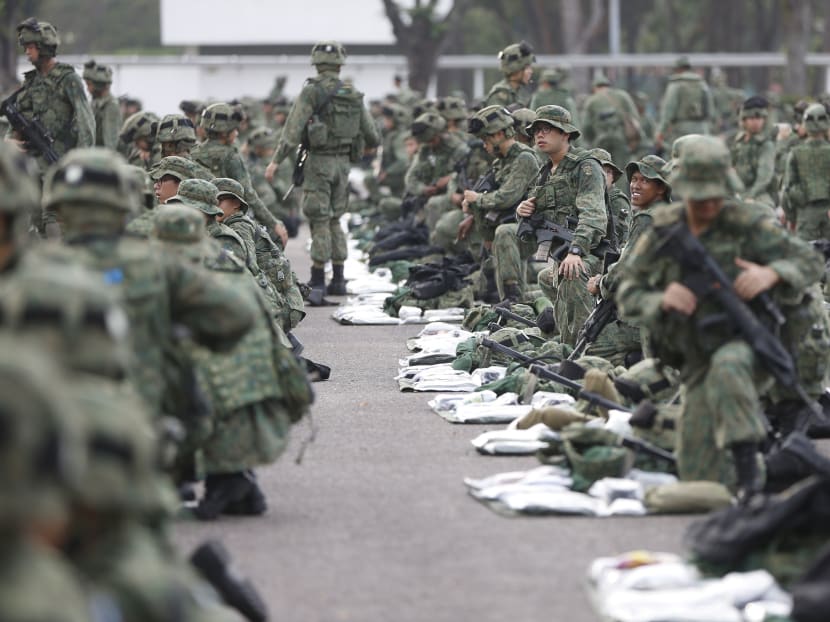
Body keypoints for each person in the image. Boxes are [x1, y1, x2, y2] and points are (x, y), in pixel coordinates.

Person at [617, 136, 824, 495]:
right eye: (698, 196)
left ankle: (750, 477)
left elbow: (809, 262)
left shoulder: (747, 223)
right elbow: (628, 293)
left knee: (729, 364)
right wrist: (662, 297)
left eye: (714, 195)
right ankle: (777, 468)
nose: (707, 205)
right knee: (701, 477)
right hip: (694, 353)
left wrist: (770, 273)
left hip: (747, 345)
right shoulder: (665, 229)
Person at [37, 148, 256, 416]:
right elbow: (237, 316)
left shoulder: (32, 269)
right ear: (124, 204)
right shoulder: (158, 261)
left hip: (55, 425)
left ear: (57, 209)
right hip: (146, 417)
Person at [264, 41, 379, 297]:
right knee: (336, 218)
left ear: (315, 63)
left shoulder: (311, 92)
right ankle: (338, 278)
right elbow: (373, 136)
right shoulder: (353, 93)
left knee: (319, 219)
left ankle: (317, 280)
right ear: (340, 63)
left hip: (318, 163)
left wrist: (275, 161)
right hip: (343, 165)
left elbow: (292, 132)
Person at [515, 105, 608, 345]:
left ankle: (579, 352)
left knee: (572, 274)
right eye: (536, 131)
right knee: (547, 277)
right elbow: (537, 214)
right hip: (561, 254)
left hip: (594, 253)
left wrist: (576, 251)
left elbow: (594, 215)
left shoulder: (585, 166)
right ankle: (566, 339)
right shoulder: (546, 172)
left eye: (547, 129)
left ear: (565, 134)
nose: (539, 135)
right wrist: (523, 211)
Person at [461, 105, 539, 301]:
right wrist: (471, 204)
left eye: (486, 139)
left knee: (504, 234)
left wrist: (477, 199)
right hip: (511, 227)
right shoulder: (500, 162)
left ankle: (515, 300)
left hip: (533, 229)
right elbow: (487, 196)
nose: (484, 146)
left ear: (499, 135)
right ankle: (514, 302)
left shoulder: (524, 158)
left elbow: (507, 197)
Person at [7, 17, 94, 170]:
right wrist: (9, 141)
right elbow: (17, 118)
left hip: (59, 163)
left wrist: (81, 164)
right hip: (31, 166)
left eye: (30, 47)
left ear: (43, 47)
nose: (26, 52)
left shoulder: (68, 79)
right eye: (25, 47)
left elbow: (86, 123)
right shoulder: (30, 81)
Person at [581, 73, 643, 180]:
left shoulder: (591, 100)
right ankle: (620, 195)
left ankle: (604, 194)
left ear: (595, 87)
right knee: (621, 170)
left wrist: (590, 142)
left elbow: (586, 126)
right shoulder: (622, 96)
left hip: (601, 140)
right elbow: (635, 117)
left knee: (601, 170)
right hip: (621, 139)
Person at [782, 103, 830, 241]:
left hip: (805, 213)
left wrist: (791, 217)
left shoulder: (796, 153)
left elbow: (788, 188)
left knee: (806, 257)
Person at [655, 56, 715, 153]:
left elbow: (668, 112)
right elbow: (710, 111)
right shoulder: (701, 83)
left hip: (681, 131)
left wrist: (660, 133)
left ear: (677, 69)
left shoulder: (675, 84)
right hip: (701, 130)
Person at [729, 96, 777, 212]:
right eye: (751, 118)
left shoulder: (765, 145)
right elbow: (730, 167)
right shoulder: (738, 142)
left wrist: (750, 196)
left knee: (766, 214)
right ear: (744, 120)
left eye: (759, 118)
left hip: (759, 193)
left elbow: (764, 177)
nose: (755, 122)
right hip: (737, 191)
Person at [82, 60, 121, 150]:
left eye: (89, 85)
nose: (87, 89)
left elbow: (110, 143)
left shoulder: (110, 106)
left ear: (98, 85)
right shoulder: (95, 103)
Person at [484, 41, 534, 108]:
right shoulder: (499, 94)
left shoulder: (523, 92)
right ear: (516, 69)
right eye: (527, 68)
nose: (531, 72)